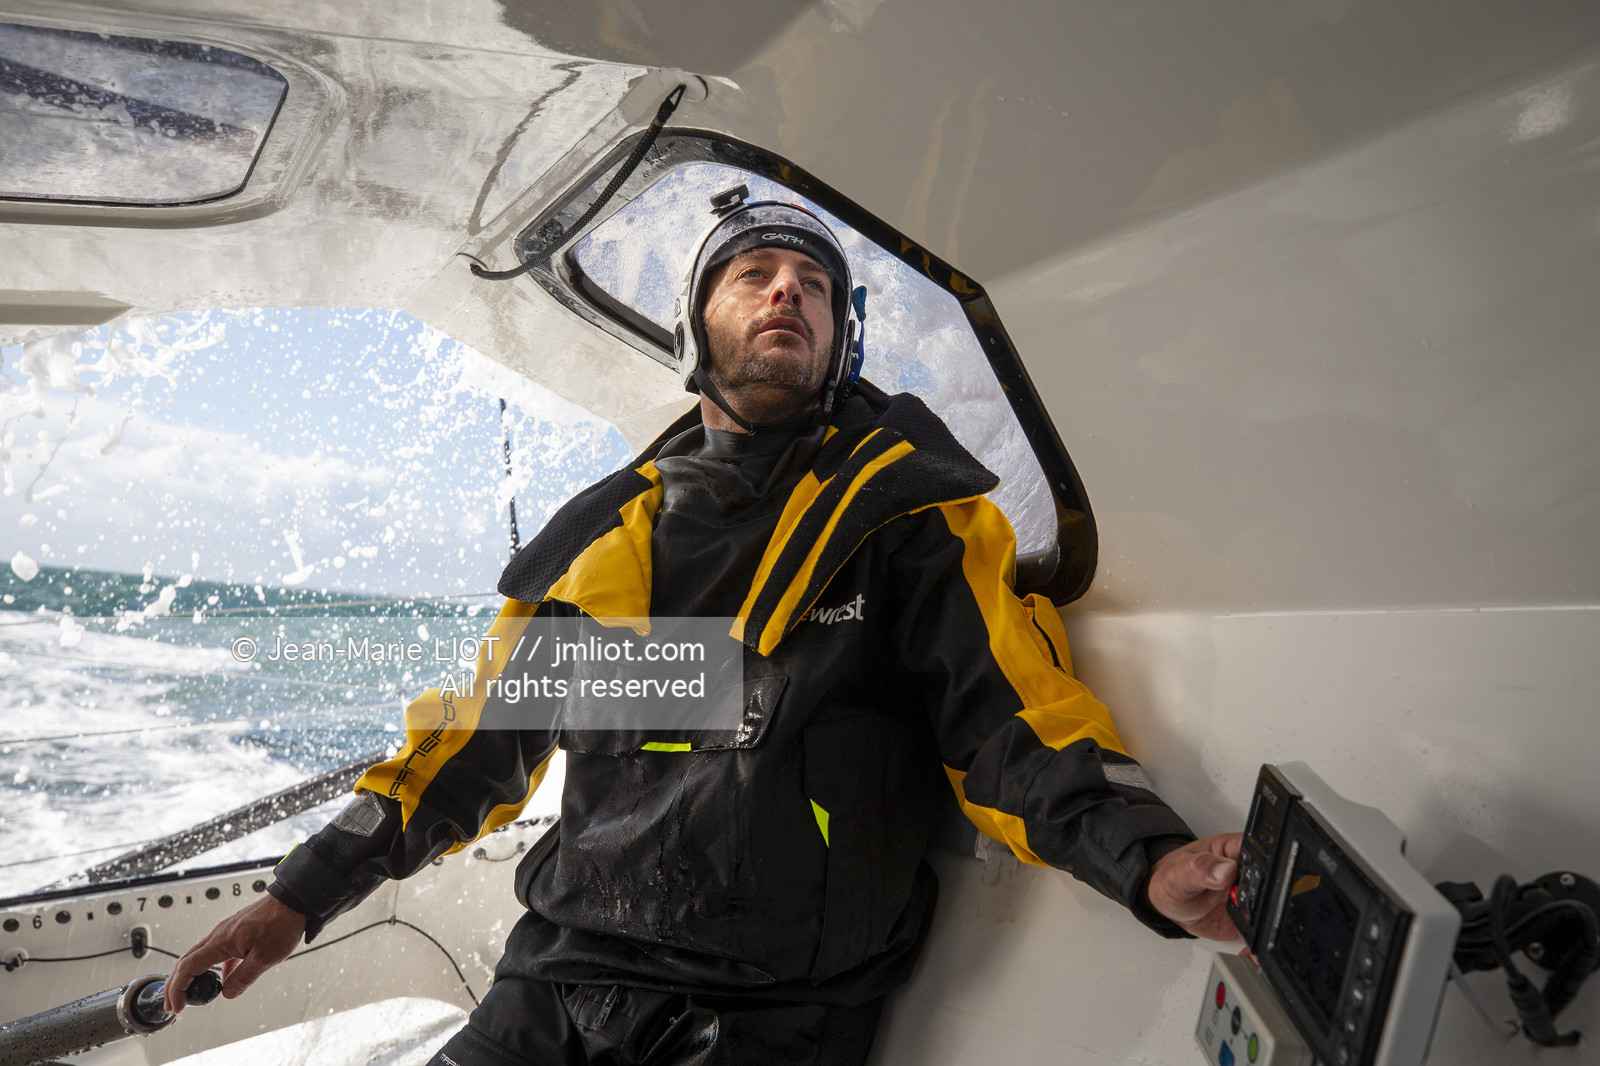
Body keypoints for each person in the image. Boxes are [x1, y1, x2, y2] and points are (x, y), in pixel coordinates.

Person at [165, 193, 1243, 1064]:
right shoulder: (597, 540)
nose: (787, 290)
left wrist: (1143, 859)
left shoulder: (907, 514)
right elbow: (474, 748)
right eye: (753, 273)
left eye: (815, 285)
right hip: (550, 989)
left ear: (842, 337)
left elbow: (1010, 723)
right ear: (695, 330)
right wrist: (294, 900)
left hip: (775, 1016)